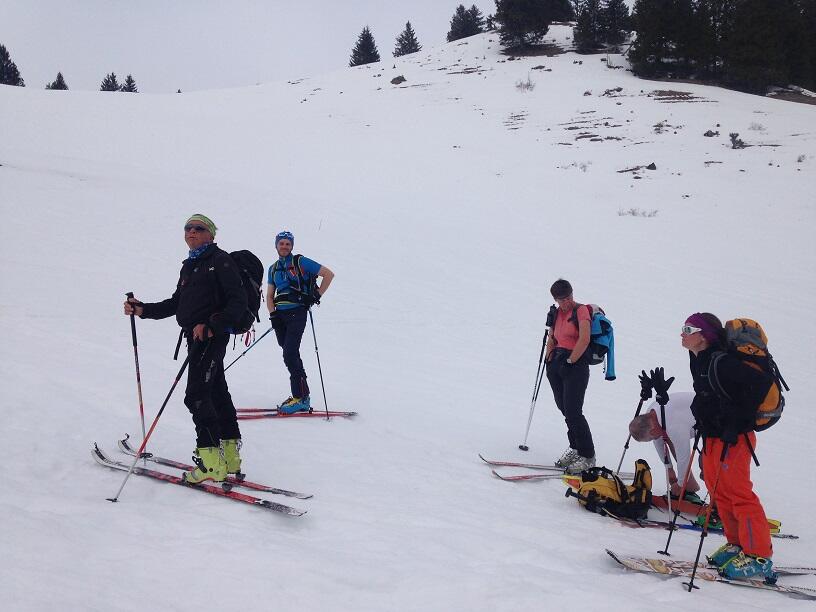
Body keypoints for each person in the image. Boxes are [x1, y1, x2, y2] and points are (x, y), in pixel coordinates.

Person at [123, 214, 247, 484]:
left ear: (211, 234)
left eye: (198, 228)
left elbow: (238, 301)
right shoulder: (190, 266)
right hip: (195, 337)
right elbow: (176, 303)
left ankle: (211, 463)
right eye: (188, 228)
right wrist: (142, 310)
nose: (192, 232)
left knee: (196, 396)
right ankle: (229, 456)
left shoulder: (220, 261)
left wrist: (212, 325)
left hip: (210, 338)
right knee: (216, 393)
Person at [681, 312, 775, 581]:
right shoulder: (699, 358)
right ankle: (737, 544)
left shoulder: (722, 361)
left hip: (734, 438)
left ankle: (759, 556)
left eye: (689, 329)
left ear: (704, 336)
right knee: (717, 491)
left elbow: (760, 382)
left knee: (739, 493)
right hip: (714, 435)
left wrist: (738, 420)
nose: (683, 334)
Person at [266, 230, 334, 414]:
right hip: (280, 316)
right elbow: (270, 296)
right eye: (281, 243)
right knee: (291, 354)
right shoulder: (273, 268)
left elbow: (328, 274)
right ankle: (302, 396)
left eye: (288, 244)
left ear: (292, 246)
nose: (284, 246)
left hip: (297, 312)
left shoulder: (301, 262)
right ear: (276, 245)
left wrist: (316, 295)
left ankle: (300, 397)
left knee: (289, 353)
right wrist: (273, 316)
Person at [545, 279, 596, 474]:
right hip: (557, 363)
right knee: (564, 409)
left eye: (569, 297)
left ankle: (588, 455)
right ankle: (575, 447)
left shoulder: (581, 311)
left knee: (574, 411)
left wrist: (570, 361)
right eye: (562, 299)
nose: (567, 301)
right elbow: (552, 337)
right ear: (556, 299)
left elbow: (584, 339)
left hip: (576, 365)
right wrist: (549, 360)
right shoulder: (556, 313)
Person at [628, 390, 703, 503]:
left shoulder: (673, 426)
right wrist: (669, 468)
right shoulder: (651, 415)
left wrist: (680, 484)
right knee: (666, 437)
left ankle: (718, 500)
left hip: (715, 420)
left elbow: (684, 457)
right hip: (686, 415)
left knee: (708, 463)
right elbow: (659, 442)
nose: (653, 440)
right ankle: (690, 486)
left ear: (652, 431)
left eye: (651, 438)